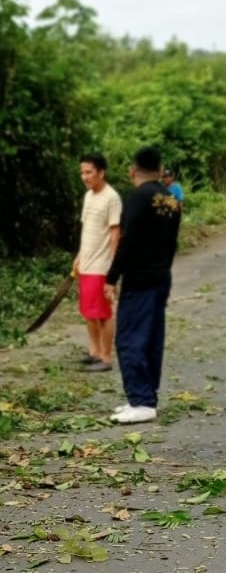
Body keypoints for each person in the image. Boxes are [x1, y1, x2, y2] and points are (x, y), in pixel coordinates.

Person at [104, 145, 182, 424]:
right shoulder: (171, 199)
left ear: (132, 170)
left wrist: (112, 277)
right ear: (160, 170)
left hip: (139, 280)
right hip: (161, 276)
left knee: (130, 338)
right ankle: (146, 396)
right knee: (151, 338)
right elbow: (172, 243)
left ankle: (141, 401)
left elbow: (128, 241)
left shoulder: (138, 197)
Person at [73, 154, 122, 372]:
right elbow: (87, 230)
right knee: (88, 311)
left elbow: (115, 233)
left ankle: (106, 357)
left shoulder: (112, 198)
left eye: (89, 172)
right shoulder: (88, 196)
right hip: (86, 262)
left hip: (101, 265)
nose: (85, 177)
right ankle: (94, 352)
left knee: (103, 313)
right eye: (82, 172)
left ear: (101, 172)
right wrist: (79, 256)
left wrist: (112, 268)